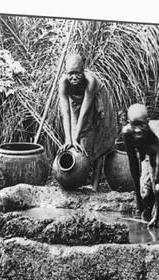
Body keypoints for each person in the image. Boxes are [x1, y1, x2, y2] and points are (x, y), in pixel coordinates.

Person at [58, 53, 117, 192]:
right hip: (76, 102)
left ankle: (95, 186)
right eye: (70, 74)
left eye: (77, 73)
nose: (74, 77)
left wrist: (76, 137)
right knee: (75, 142)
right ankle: (78, 179)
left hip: (97, 98)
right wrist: (69, 139)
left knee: (98, 137)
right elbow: (65, 112)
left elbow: (84, 113)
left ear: (83, 70)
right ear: (65, 73)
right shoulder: (63, 83)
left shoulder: (91, 81)